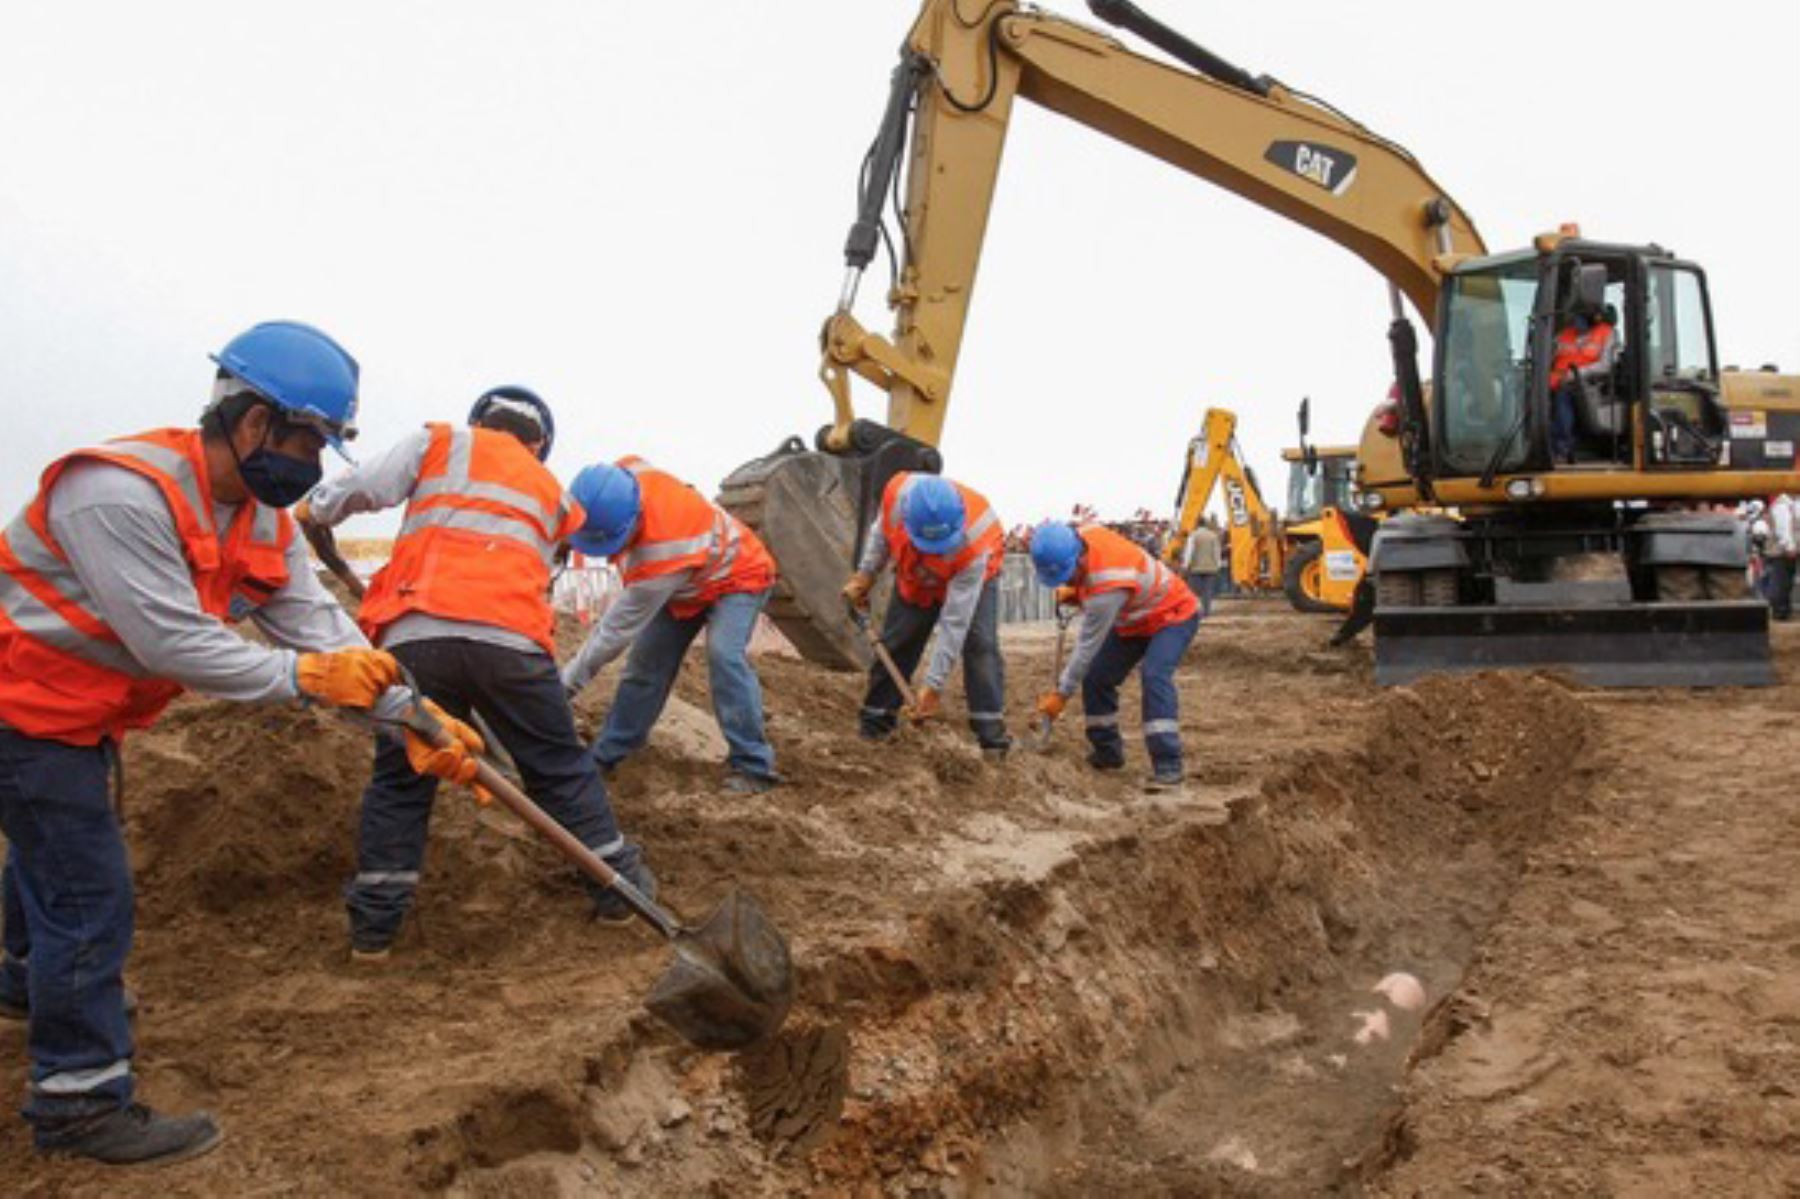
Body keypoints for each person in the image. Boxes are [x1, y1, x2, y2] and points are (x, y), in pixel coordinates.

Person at [0, 321, 479, 1165]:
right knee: (87, 893)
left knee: (56, 860)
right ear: (251, 419)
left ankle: (16, 981)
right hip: (20, 710)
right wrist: (300, 679)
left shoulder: (264, 521)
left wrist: (414, 717)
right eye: (304, 438)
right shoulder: (117, 492)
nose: (309, 461)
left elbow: (322, 627)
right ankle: (77, 1099)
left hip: (78, 714)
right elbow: (171, 641)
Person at [302, 387, 655, 954]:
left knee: (401, 776)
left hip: (418, 637)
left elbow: (355, 491)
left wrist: (312, 510)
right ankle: (621, 893)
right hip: (513, 646)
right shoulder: (556, 497)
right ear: (539, 444)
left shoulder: (439, 442)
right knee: (559, 766)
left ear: (481, 420)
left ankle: (374, 929)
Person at [561, 457, 780, 792]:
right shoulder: (620, 478)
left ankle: (753, 766)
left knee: (724, 656)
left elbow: (612, 634)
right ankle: (609, 754)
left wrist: (565, 687)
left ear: (632, 521)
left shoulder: (663, 551)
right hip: (687, 582)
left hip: (738, 575)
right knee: (645, 666)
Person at [841, 472, 1011, 755]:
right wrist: (865, 575)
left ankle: (990, 736)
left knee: (980, 646)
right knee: (898, 640)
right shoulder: (896, 498)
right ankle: (876, 721)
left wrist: (933, 687)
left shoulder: (975, 541)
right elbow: (881, 534)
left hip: (974, 579)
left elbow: (954, 623)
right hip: (916, 575)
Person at [1028, 520, 1200, 789]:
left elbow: (1087, 647)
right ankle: (1107, 752)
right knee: (1097, 677)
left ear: (1079, 556)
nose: (1067, 580)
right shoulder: (1083, 534)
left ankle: (1168, 765)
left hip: (1172, 614)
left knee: (1154, 675)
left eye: (1069, 574)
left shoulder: (1107, 586)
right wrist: (1076, 588)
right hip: (1133, 621)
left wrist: (1061, 694)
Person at [1549, 290, 1619, 464]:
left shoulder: (1607, 333)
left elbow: (1606, 365)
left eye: (1579, 316)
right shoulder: (1565, 334)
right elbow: (1548, 355)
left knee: (1564, 395)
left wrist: (1576, 374)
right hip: (1554, 380)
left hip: (1586, 383)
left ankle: (1563, 448)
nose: (1575, 320)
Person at [1180, 515, 1223, 618]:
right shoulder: (1213, 536)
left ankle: (1195, 611)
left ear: (1197, 524)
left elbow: (1189, 552)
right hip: (1210, 568)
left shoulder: (1193, 536)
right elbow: (1216, 552)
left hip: (1196, 568)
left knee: (1194, 591)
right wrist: (1218, 565)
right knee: (1207, 591)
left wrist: (1185, 566)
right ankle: (1206, 611)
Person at [1768, 493, 1798, 621]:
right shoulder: (1783, 504)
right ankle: (1781, 612)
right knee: (1781, 582)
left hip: (1790, 547)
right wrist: (1789, 545)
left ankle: (1782, 611)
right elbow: (1782, 526)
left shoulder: (1793, 502)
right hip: (1784, 550)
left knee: (1784, 582)